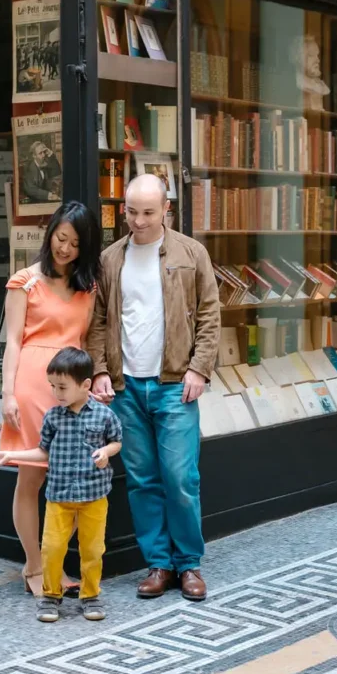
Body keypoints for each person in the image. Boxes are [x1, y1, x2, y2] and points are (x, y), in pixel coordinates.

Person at [88, 174, 220, 602]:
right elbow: (99, 321)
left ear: (167, 209)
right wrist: (100, 371)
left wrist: (199, 369)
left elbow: (210, 315)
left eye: (148, 212)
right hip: (125, 388)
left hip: (173, 384)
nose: (139, 221)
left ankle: (189, 564)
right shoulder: (110, 259)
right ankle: (159, 564)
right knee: (143, 480)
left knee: (181, 477)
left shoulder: (191, 253)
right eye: (131, 211)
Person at [1, 201, 101, 596]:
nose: (65, 249)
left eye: (75, 244)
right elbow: (11, 340)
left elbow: (89, 338)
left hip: (74, 389)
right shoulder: (24, 281)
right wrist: (7, 393)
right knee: (32, 477)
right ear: (50, 233)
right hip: (32, 381)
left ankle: (54, 561)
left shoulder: (88, 286)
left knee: (74, 478)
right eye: (61, 238)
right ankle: (33, 566)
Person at [0, 347, 121, 622]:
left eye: (62, 387)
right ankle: (51, 595)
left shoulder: (104, 415)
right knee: (51, 548)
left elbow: (116, 441)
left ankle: (91, 595)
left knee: (93, 549)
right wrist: (12, 454)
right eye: (52, 386)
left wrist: (106, 453)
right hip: (59, 496)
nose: (56, 393)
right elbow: (44, 453)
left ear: (85, 385)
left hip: (94, 496)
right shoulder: (52, 417)